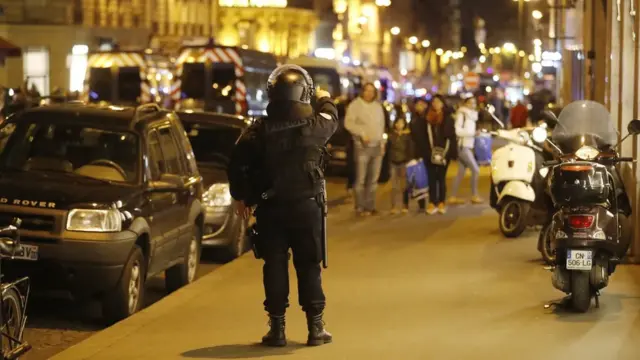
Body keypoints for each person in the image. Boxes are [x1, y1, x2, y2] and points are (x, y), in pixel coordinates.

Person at [227, 64, 337, 347]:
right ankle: (316, 328)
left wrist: (241, 197)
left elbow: (237, 164)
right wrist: (323, 97)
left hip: (270, 209)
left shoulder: (258, 130)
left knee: (274, 265)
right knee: (309, 266)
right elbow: (331, 115)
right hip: (307, 207)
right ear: (305, 93)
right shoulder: (316, 126)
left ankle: (277, 329)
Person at [344, 82, 386, 216]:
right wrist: (362, 133)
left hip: (377, 147)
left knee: (373, 179)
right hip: (362, 147)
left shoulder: (378, 106)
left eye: (372, 91)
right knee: (361, 178)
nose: (369, 93)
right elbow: (348, 123)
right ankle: (360, 207)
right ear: (362, 91)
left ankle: (370, 206)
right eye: (367, 90)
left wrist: (382, 142)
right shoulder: (355, 105)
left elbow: (381, 126)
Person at [418, 95, 457, 214]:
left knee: (441, 177)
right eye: (434, 102)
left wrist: (451, 153)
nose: (436, 104)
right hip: (429, 152)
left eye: (438, 102)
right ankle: (432, 202)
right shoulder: (426, 118)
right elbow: (422, 136)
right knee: (431, 178)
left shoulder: (448, 118)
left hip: (443, 152)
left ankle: (441, 201)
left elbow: (451, 137)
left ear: (443, 103)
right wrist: (425, 151)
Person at [449, 94, 483, 205]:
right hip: (462, 146)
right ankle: (474, 195)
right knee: (476, 170)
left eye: (474, 102)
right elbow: (457, 131)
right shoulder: (462, 114)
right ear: (465, 103)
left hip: (468, 145)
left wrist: (475, 134)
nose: (472, 105)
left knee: (460, 173)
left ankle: (452, 197)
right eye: (470, 102)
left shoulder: (472, 116)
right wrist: (472, 133)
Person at [388, 116, 414, 214]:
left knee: (404, 185)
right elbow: (388, 149)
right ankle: (393, 206)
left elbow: (409, 148)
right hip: (393, 162)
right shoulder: (391, 135)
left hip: (403, 162)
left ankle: (405, 205)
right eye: (397, 123)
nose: (399, 125)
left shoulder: (407, 136)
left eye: (401, 123)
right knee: (394, 185)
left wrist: (409, 160)